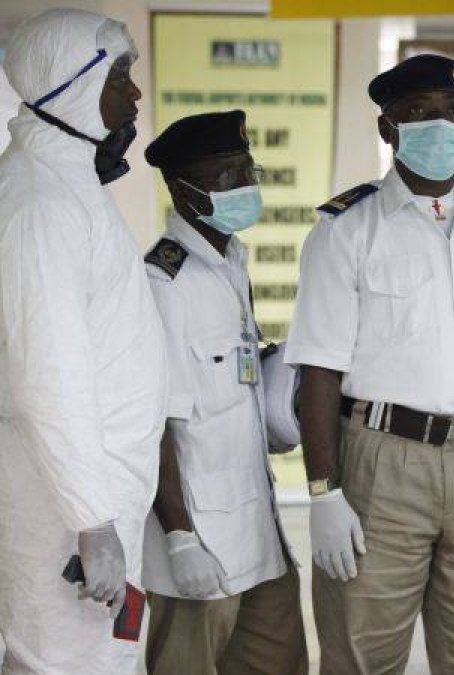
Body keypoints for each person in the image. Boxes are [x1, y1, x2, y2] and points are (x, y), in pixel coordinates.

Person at [286, 54, 454, 674]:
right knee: (363, 654)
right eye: (418, 115)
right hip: (384, 465)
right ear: (388, 129)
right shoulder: (347, 231)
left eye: (452, 113)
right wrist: (323, 493)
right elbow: (319, 376)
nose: (441, 129)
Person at [0, 8, 167, 673]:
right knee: (60, 662)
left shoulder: (68, 182)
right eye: (120, 75)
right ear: (68, 84)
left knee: (96, 659)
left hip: (94, 494)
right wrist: (93, 520)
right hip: (65, 513)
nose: (134, 94)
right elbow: (49, 372)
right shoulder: (38, 200)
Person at [139, 110, 307, 674]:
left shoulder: (231, 261)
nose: (243, 186)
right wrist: (181, 539)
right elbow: (156, 422)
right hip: (200, 541)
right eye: (224, 175)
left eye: (246, 169)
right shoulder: (164, 284)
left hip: (259, 524)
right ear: (181, 189)